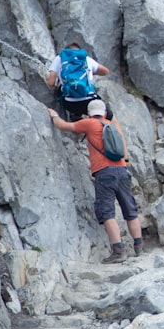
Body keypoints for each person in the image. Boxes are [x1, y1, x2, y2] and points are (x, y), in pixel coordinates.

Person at [48, 99, 143, 263]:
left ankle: (118, 251)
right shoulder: (112, 125)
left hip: (104, 173)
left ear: (89, 113)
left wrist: (54, 116)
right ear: (105, 112)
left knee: (107, 212)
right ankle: (139, 247)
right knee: (130, 209)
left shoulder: (90, 123)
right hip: (122, 170)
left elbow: (64, 126)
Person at [46, 42, 111, 121]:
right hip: (89, 103)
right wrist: (90, 72)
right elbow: (105, 71)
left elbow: (50, 83)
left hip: (69, 104)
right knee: (110, 116)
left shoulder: (59, 58)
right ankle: (119, 132)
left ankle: (76, 115)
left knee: (65, 86)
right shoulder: (86, 59)